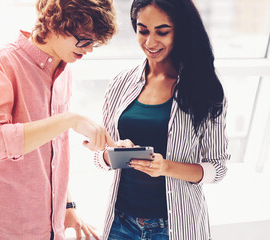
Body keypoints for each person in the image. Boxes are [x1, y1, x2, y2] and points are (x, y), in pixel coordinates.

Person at [0, 0, 116, 239]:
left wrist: (67, 205)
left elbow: (53, 153)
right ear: (57, 24)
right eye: (84, 39)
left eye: (94, 42)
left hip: (49, 229)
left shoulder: (64, 71)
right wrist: (68, 120)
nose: (89, 49)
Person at [94, 0, 230, 239]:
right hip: (121, 225)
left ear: (181, 30)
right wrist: (111, 154)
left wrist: (166, 167)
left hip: (173, 227)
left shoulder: (205, 89)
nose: (150, 42)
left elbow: (218, 168)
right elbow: (100, 157)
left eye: (162, 31)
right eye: (143, 30)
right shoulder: (120, 83)